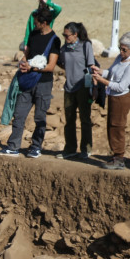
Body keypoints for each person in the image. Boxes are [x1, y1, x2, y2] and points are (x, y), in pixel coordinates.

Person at [0, 6, 60, 158]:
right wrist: (23, 64)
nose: (34, 23)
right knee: (19, 114)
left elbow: (50, 66)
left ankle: (36, 147)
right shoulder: (33, 34)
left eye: (37, 21)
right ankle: (13, 147)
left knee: (39, 116)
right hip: (27, 82)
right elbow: (26, 55)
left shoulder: (55, 40)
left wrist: (33, 67)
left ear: (44, 22)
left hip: (43, 83)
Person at [90, 31, 130, 170]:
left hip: (122, 98)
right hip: (113, 96)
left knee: (118, 126)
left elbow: (121, 86)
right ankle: (115, 155)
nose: (121, 51)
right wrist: (100, 71)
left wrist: (102, 81)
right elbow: (111, 73)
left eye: (124, 50)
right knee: (111, 125)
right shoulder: (119, 58)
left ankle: (119, 158)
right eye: (120, 48)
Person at [57, 21, 96, 159]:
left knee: (85, 119)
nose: (65, 38)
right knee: (69, 120)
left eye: (67, 35)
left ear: (75, 34)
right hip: (69, 88)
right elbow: (61, 63)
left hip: (83, 88)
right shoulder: (63, 49)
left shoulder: (86, 45)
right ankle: (70, 149)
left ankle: (86, 149)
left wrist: (93, 85)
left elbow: (91, 66)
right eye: (63, 35)